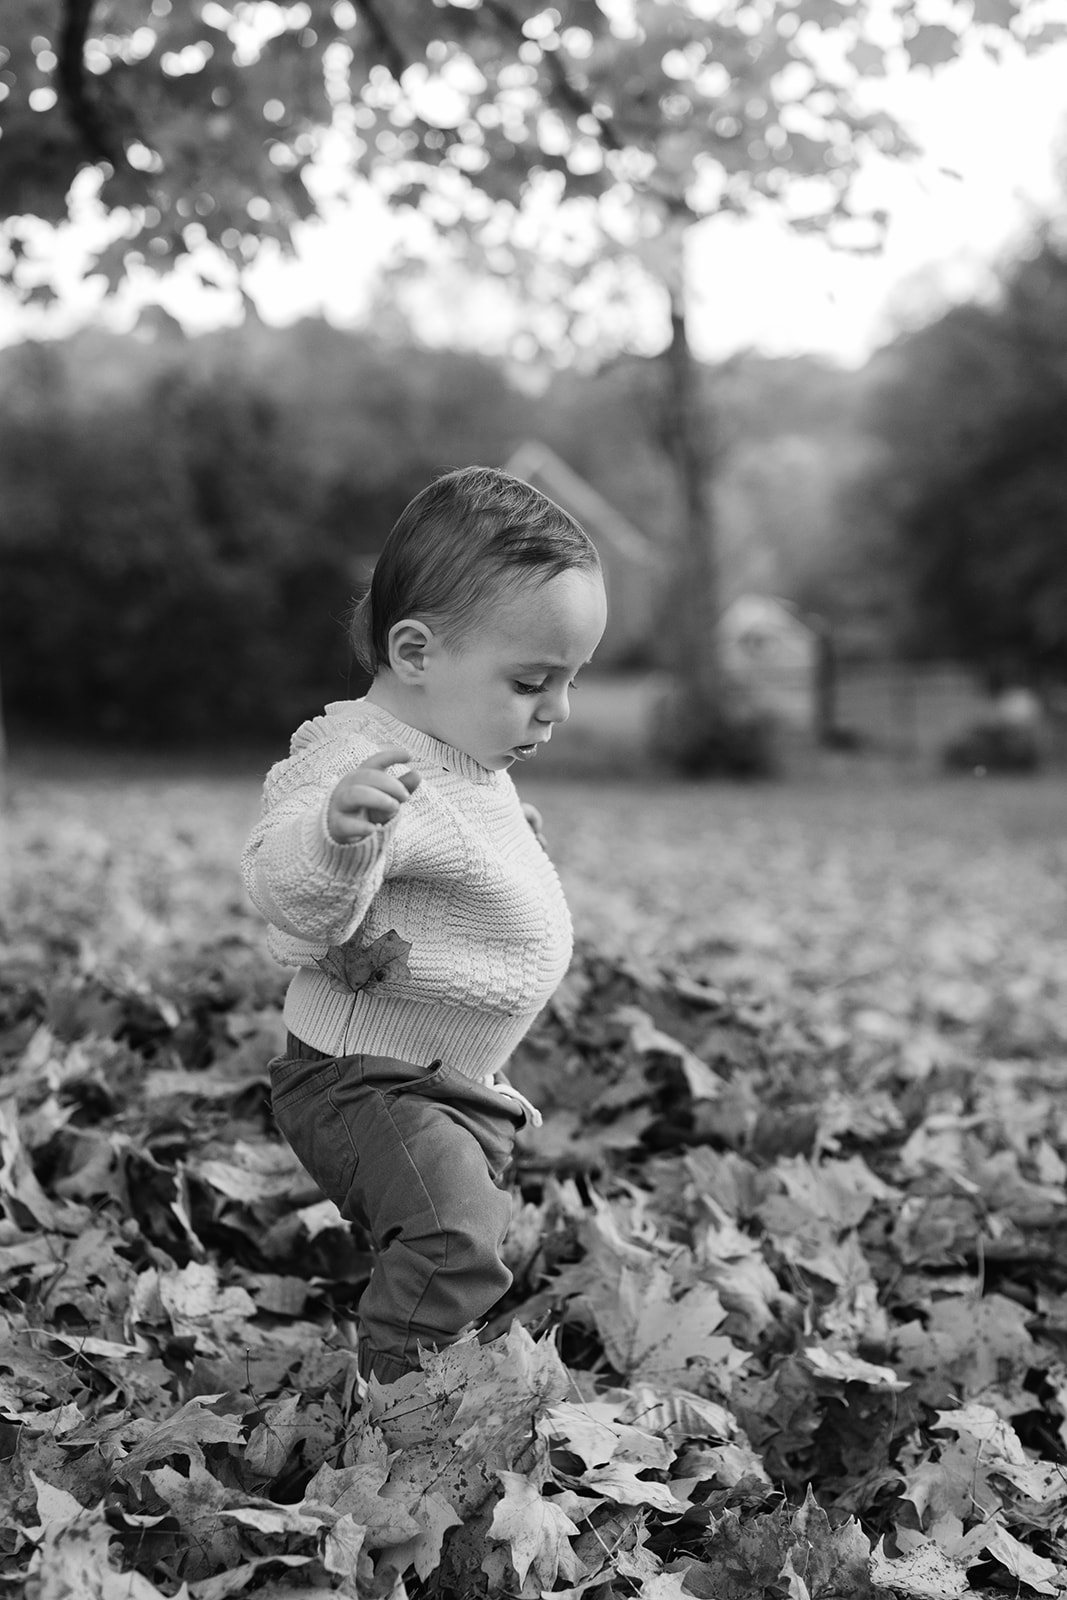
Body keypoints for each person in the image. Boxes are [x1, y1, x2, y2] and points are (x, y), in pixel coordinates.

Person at [242, 465, 607, 1385]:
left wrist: (513, 838)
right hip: (360, 1082)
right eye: (532, 680)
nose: (557, 710)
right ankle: (407, 1411)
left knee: (461, 1224)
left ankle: (417, 1332)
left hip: (449, 1080)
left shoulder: (465, 751)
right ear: (415, 652)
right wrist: (335, 838)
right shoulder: (355, 766)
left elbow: (458, 846)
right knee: (452, 1237)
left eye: (569, 681)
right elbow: (286, 897)